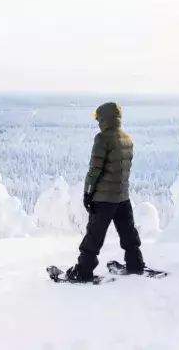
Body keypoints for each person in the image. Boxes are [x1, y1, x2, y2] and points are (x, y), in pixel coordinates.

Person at [65, 102, 145, 281]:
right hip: (123, 196)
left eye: (98, 118)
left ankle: (83, 271)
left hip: (104, 199)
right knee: (128, 233)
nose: (97, 122)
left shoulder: (102, 139)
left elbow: (95, 170)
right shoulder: (127, 138)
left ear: (105, 118)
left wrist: (87, 193)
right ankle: (136, 264)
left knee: (94, 235)